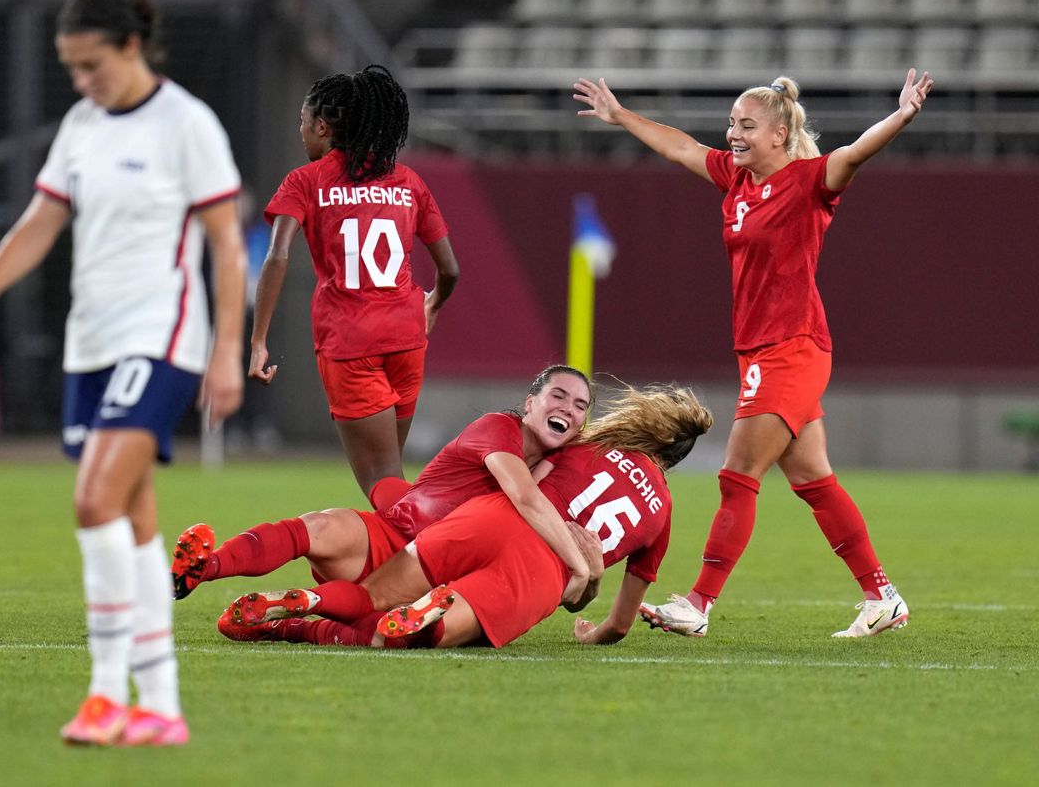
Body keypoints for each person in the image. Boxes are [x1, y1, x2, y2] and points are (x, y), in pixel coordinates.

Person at [0, 0, 247, 746]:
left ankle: (107, 694)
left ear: (131, 47)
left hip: (160, 337)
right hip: (92, 343)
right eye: (71, 69)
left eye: (91, 65)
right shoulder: (81, 125)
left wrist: (228, 349)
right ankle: (161, 707)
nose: (82, 82)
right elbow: (41, 222)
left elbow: (225, 244)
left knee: (93, 498)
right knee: (134, 520)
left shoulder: (187, 123)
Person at [572, 69, 934, 638]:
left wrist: (903, 115)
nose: (732, 134)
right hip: (763, 349)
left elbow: (856, 152)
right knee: (815, 481)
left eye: (746, 125)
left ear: (780, 136)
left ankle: (698, 603)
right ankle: (882, 597)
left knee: (738, 472)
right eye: (731, 123)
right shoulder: (735, 180)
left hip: (793, 347)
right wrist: (621, 116)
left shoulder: (810, 181)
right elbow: (682, 147)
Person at [217, 384, 713, 650]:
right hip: (541, 571)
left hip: (491, 517)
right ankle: (307, 627)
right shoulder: (663, 514)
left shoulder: (585, 445)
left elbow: (532, 483)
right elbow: (619, 625)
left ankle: (306, 602)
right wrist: (591, 611)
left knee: (370, 596)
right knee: (412, 634)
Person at [172, 364, 597, 607]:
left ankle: (286, 612)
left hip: (437, 575)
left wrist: (591, 578)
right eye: (558, 396)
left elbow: (567, 595)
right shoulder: (498, 428)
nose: (567, 409)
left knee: (370, 609)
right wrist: (579, 567)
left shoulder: (562, 470)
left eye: (580, 406)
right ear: (530, 403)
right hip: (392, 536)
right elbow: (524, 497)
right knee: (316, 526)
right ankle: (203, 569)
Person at [249, 64, 460, 496]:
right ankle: (403, 559)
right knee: (391, 477)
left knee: (384, 487)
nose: (301, 132)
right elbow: (450, 270)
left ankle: (441, 555)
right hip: (406, 338)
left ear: (322, 126)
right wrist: (433, 304)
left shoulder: (305, 181)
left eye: (303, 123)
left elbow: (278, 255)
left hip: (351, 344)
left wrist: (258, 341)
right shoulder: (407, 181)